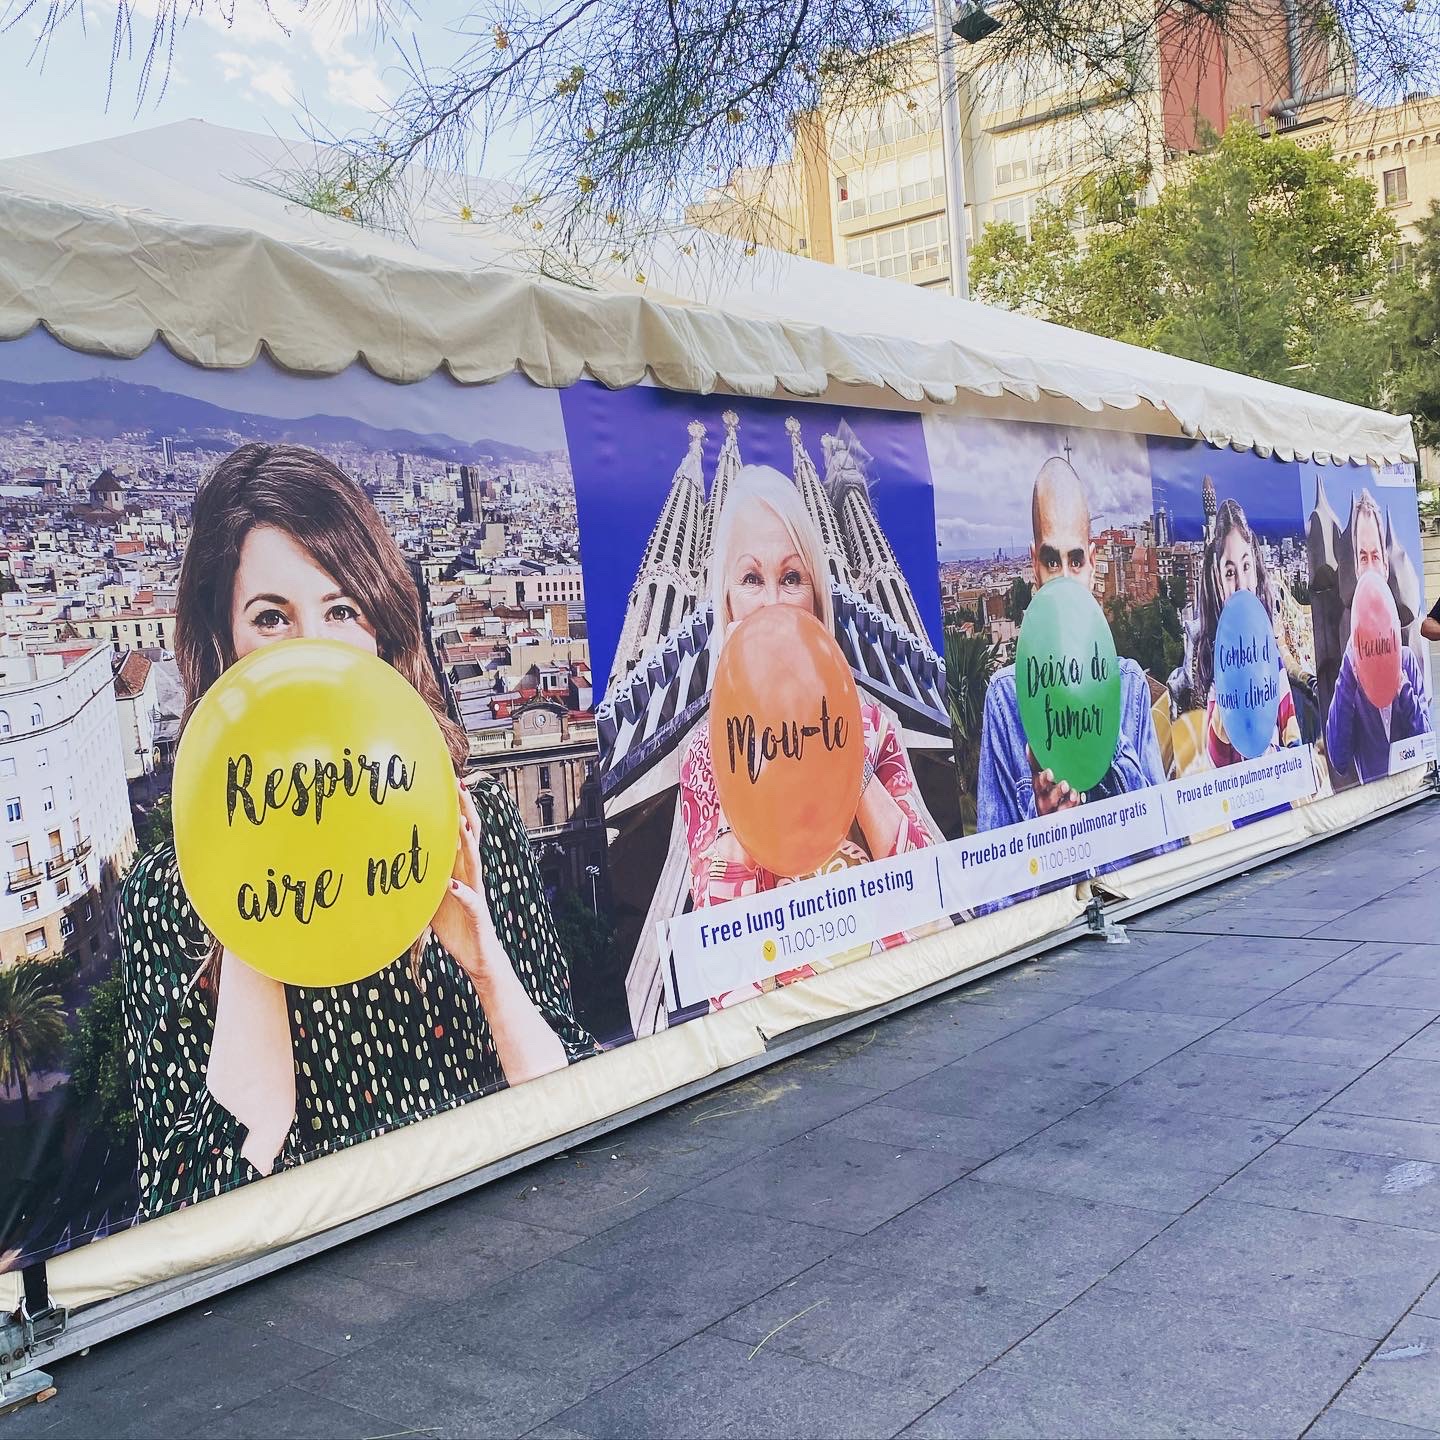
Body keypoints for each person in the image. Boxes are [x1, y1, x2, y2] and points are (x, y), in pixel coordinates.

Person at [120, 443, 595, 1218]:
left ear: (380, 627)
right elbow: (186, 1218)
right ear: (223, 644)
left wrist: (486, 970)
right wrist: (249, 932)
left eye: (342, 610)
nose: (312, 649)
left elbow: (580, 1101)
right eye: (272, 618)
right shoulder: (169, 900)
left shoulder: (474, 827)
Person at [678, 464, 938, 1001]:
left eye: (792, 578)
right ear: (726, 604)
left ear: (818, 599)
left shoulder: (873, 729)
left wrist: (845, 759)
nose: (773, 601)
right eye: (751, 579)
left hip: (898, 1003)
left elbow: (932, 894)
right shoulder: (706, 756)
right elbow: (725, 965)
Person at [976, 456, 1166, 831]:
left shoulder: (1129, 685)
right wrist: (1042, 824)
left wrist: (1105, 724)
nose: (1064, 580)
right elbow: (996, 871)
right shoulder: (1005, 699)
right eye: (1051, 561)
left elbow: (1165, 840)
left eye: (1075, 561)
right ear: (1034, 565)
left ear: (1093, 563)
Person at [1324, 488, 1431, 784]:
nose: (1370, 566)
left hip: (1412, 795)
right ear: (1357, 568)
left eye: (1375, 557)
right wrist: (1350, 671)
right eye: (1363, 557)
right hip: (1375, 809)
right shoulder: (1350, 669)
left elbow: (1426, 742)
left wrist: (1401, 686)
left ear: (1385, 566)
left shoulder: (1407, 660)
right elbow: (1339, 757)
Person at [1195, 498, 1301, 767]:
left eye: (1246, 567)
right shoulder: (1216, 663)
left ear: (1256, 569)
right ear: (1217, 580)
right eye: (1230, 572)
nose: (1241, 583)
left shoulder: (1270, 653)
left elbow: (1290, 729)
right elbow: (1215, 757)